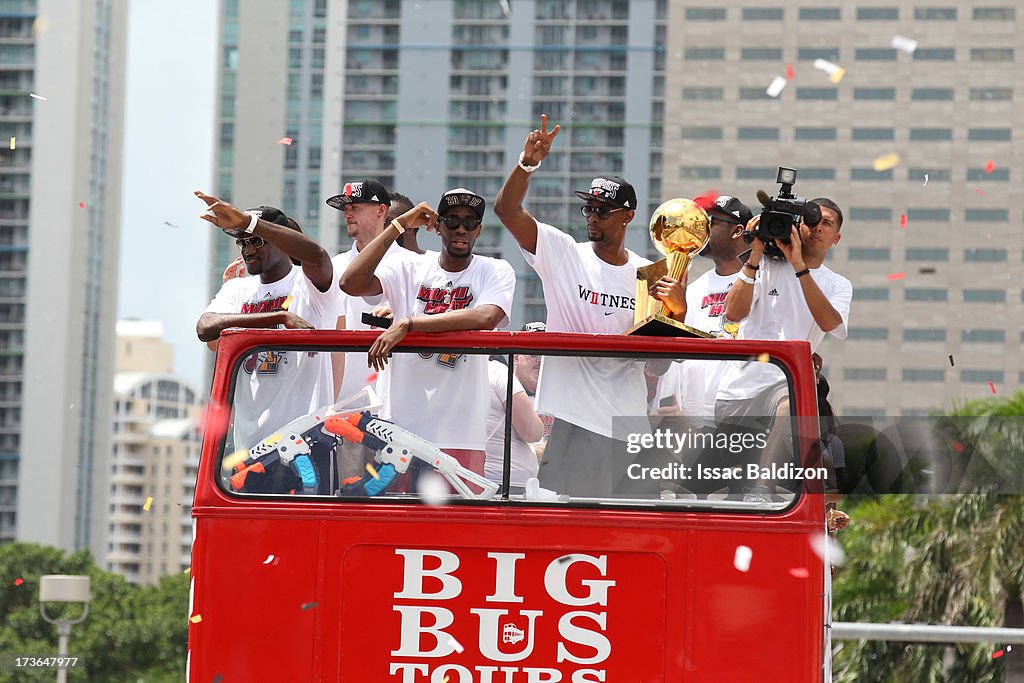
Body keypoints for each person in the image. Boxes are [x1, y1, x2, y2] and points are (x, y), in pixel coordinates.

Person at [493, 115, 671, 497]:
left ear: (628, 217)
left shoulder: (648, 271)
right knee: (567, 523)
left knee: (617, 537)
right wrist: (528, 164)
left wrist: (676, 311)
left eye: (602, 211)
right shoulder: (564, 253)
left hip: (627, 422)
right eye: (588, 208)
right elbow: (507, 211)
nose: (592, 216)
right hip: (577, 416)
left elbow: (658, 364)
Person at [339, 188, 515, 482]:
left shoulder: (494, 269)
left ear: (479, 230)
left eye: (470, 222)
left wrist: (410, 323)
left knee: (458, 524)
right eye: (451, 220)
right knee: (398, 524)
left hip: (461, 431)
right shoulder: (409, 265)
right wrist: (398, 224)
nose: (461, 229)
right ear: (437, 227)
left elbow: (487, 316)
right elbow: (350, 282)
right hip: (401, 428)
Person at [195, 194, 341, 493]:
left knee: (308, 539)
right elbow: (205, 328)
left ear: (279, 240)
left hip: (306, 443)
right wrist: (277, 318)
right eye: (243, 243)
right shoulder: (238, 289)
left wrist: (251, 223)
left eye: (255, 240)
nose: (247, 249)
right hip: (250, 450)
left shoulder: (308, 285)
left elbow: (317, 256)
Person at [717, 197, 853, 498]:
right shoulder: (765, 264)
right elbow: (733, 314)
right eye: (812, 221)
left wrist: (799, 266)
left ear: (836, 238)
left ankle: (763, 488)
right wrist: (754, 254)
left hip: (784, 383)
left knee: (788, 402)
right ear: (798, 226)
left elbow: (830, 323)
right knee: (724, 488)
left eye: (827, 224)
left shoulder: (838, 284)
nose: (818, 228)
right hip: (738, 388)